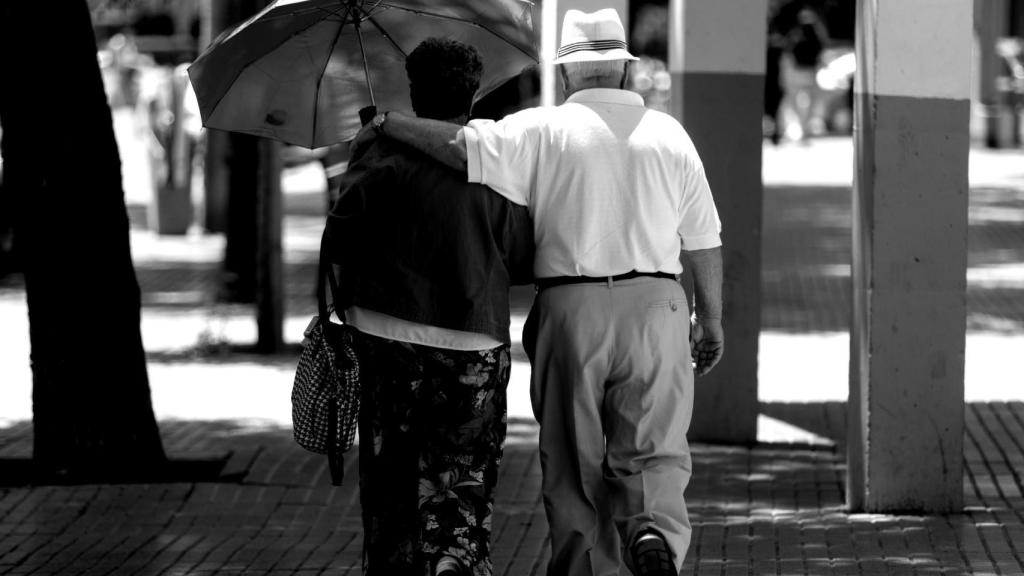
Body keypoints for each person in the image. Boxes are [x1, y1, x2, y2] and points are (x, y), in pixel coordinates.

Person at [355, 9, 725, 576]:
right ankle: (651, 532)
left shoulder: (540, 129)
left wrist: (387, 123)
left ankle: (583, 566)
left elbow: (459, 145)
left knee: (574, 459)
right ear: (626, 71)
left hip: (571, 308)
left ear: (566, 73)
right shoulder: (670, 135)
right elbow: (703, 240)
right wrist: (710, 319)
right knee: (654, 449)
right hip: (658, 306)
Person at [324, 38, 535, 576]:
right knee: (462, 480)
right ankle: (453, 563)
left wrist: (361, 156)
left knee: (390, 484)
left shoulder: (380, 152)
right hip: (471, 340)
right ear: (473, 94)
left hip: (385, 335)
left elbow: (340, 238)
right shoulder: (496, 163)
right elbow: (521, 255)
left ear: (414, 92)